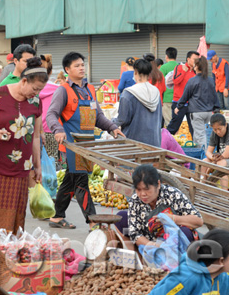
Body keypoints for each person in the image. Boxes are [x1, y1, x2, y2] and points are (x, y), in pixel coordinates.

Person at [46, 52, 124, 230]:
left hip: (88, 143)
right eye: (76, 65)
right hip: (72, 145)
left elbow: (97, 116)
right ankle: (93, 221)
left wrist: (112, 128)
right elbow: (51, 114)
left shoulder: (89, 89)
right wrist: (58, 130)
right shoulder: (63, 90)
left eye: (82, 64)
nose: (81, 68)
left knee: (71, 180)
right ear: (67, 70)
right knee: (81, 182)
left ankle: (57, 217)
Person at [0, 57, 47, 236]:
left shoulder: (36, 103)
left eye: (40, 90)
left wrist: (37, 165)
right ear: (24, 80)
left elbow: (35, 136)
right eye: (34, 89)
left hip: (21, 168)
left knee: (13, 222)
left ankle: (7, 253)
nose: (35, 93)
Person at [114, 164, 203, 248]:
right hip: (149, 239)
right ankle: (138, 261)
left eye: (147, 189)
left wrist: (172, 218)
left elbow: (198, 221)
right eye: (138, 189)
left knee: (183, 233)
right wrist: (153, 245)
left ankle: (175, 262)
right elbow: (135, 233)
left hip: (174, 241)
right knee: (121, 218)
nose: (143, 194)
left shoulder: (172, 194)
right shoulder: (135, 199)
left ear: (158, 184)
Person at [113, 58, 162, 147]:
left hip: (134, 144)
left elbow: (122, 119)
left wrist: (110, 123)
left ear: (135, 72)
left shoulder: (128, 93)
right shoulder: (156, 92)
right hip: (154, 143)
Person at [175, 56, 219, 149]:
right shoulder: (211, 80)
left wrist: (178, 106)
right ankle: (197, 154)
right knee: (203, 135)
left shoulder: (192, 81)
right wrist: (216, 109)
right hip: (209, 112)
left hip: (197, 112)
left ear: (196, 67)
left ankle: (204, 157)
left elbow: (185, 95)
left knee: (200, 136)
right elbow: (214, 95)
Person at [166, 51, 199, 136]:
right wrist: (184, 72)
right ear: (188, 59)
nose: (196, 61)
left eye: (197, 59)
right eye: (194, 59)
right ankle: (163, 143)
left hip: (192, 104)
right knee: (173, 127)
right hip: (179, 103)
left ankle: (196, 147)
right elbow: (176, 81)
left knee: (193, 128)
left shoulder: (196, 72)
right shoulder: (179, 67)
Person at [38, 54, 60, 160]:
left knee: (35, 161)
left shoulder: (32, 89)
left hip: (36, 130)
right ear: (50, 72)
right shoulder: (58, 89)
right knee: (52, 162)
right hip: (52, 129)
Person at [160, 47, 178, 127]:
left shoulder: (163, 67)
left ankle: (170, 138)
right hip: (179, 99)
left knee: (168, 122)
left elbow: (160, 83)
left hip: (166, 98)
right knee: (178, 123)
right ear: (176, 56)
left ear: (166, 56)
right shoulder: (180, 66)